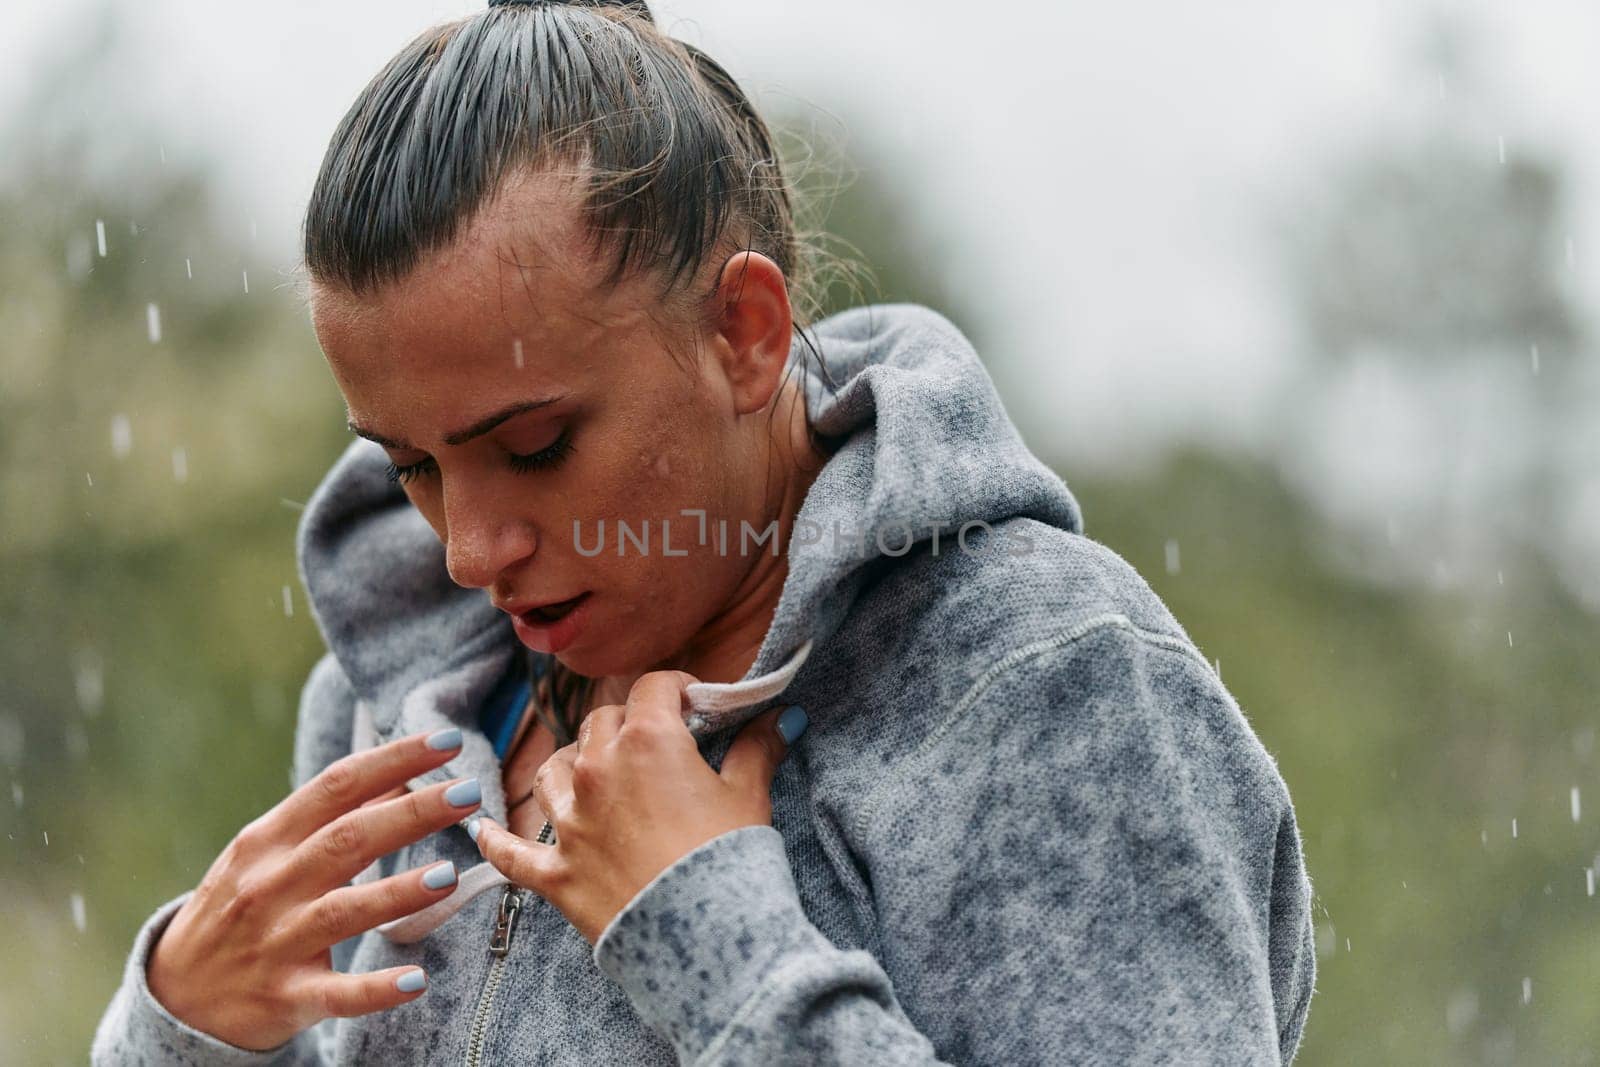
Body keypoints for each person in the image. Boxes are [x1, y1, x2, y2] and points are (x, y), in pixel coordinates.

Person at [90, 0, 1318, 1063]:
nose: (469, 550)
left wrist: (712, 939)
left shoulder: (1043, 685)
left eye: (534, 447)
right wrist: (184, 1029)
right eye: (412, 464)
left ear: (746, 330)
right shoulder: (391, 716)